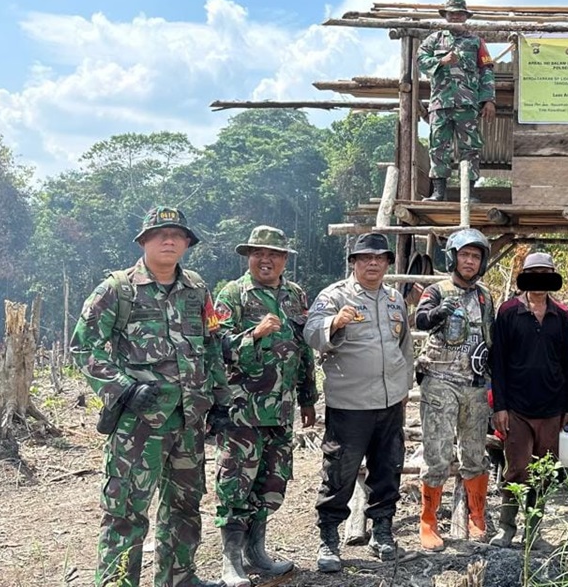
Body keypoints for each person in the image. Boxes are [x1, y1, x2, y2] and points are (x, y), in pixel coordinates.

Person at [70, 206, 226, 587]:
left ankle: (179, 577)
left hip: (189, 422)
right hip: (138, 425)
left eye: (176, 234)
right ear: (144, 242)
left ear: (187, 243)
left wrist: (220, 401)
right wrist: (123, 388)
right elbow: (83, 346)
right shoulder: (118, 289)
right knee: (126, 511)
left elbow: (212, 344)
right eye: (159, 234)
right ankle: (118, 582)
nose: (168, 240)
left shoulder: (198, 289)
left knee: (185, 506)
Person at [213, 226, 318, 585]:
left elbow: (303, 348)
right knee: (235, 482)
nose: (266, 259)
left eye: (274, 254)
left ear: (285, 259)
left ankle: (256, 553)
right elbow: (217, 348)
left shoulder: (294, 294)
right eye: (259, 253)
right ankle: (231, 560)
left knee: (271, 482)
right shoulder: (232, 294)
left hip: (281, 410)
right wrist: (253, 335)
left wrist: (308, 397)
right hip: (242, 411)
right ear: (248, 257)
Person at [304, 233, 413, 571]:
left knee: (387, 469)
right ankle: (329, 539)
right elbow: (311, 332)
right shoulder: (335, 296)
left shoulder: (395, 299)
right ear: (354, 262)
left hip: (390, 402)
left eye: (379, 258)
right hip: (350, 404)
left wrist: (404, 386)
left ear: (386, 263)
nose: (373, 263)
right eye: (365, 258)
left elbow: (404, 347)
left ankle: (382, 532)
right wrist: (334, 323)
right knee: (340, 472)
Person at [413, 229, 497, 550]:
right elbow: (420, 319)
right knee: (437, 453)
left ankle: (477, 516)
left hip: (475, 383)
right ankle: (428, 520)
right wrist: (439, 312)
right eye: (464, 255)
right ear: (453, 257)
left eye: (475, 256)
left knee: (475, 453)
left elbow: (492, 339)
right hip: (440, 380)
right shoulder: (437, 290)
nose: (470, 261)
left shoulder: (485, 297)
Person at [489, 252, 568, 548]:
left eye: (545, 272)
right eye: (533, 272)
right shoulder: (509, 312)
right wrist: (499, 406)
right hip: (516, 408)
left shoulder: (562, 316)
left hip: (552, 408)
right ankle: (506, 527)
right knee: (516, 470)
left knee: (543, 472)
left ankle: (535, 531)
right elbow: (497, 362)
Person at [418, 0, 496, 202]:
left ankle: (468, 194)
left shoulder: (476, 41)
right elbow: (420, 61)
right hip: (440, 104)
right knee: (437, 147)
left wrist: (489, 100)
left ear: (465, 16)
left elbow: (486, 70)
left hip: (467, 104)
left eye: (459, 13)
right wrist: (440, 60)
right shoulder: (434, 39)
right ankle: (438, 193)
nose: (456, 17)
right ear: (446, 16)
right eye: (452, 13)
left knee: (470, 148)